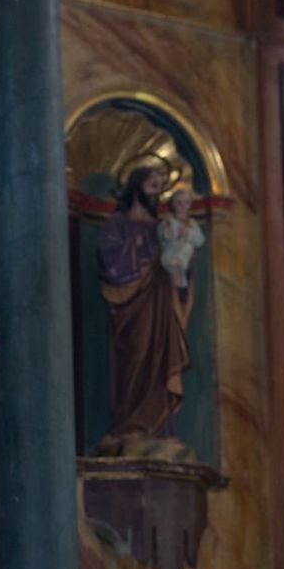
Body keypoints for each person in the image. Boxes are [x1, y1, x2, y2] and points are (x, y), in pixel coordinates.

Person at [95, 161, 191, 458]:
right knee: (135, 357)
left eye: (160, 188)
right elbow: (107, 257)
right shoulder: (118, 223)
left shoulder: (162, 227)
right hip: (132, 306)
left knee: (161, 359)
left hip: (161, 302)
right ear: (137, 185)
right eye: (152, 185)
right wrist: (141, 261)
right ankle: (128, 426)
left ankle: (159, 428)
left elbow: (181, 258)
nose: (156, 192)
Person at [156, 186, 205, 291]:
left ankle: (179, 273)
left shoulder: (191, 223)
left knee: (187, 247)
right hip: (171, 250)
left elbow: (200, 240)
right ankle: (175, 272)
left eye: (186, 202)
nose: (183, 206)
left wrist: (188, 233)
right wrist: (168, 227)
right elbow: (163, 236)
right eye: (179, 203)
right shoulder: (169, 220)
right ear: (173, 204)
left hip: (184, 254)